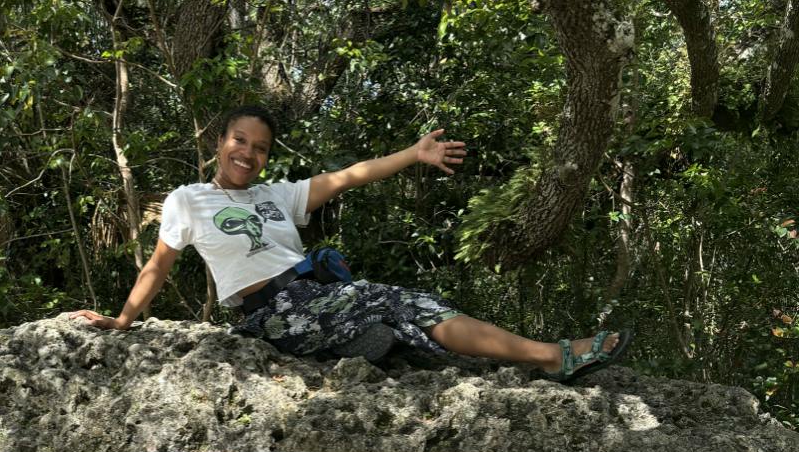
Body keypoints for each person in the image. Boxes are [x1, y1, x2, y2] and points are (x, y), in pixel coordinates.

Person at [68, 105, 631, 380]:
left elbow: (351, 175)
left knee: (417, 330)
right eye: (240, 140)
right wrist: (124, 321)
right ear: (221, 143)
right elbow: (159, 267)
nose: (249, 153)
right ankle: (552, 356)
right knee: (405, 304)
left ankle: (363, 343)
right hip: (270, 313)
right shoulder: (189, 199)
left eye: (260, 147)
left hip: (317, 297)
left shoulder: (279, 195)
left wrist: (415, 155)